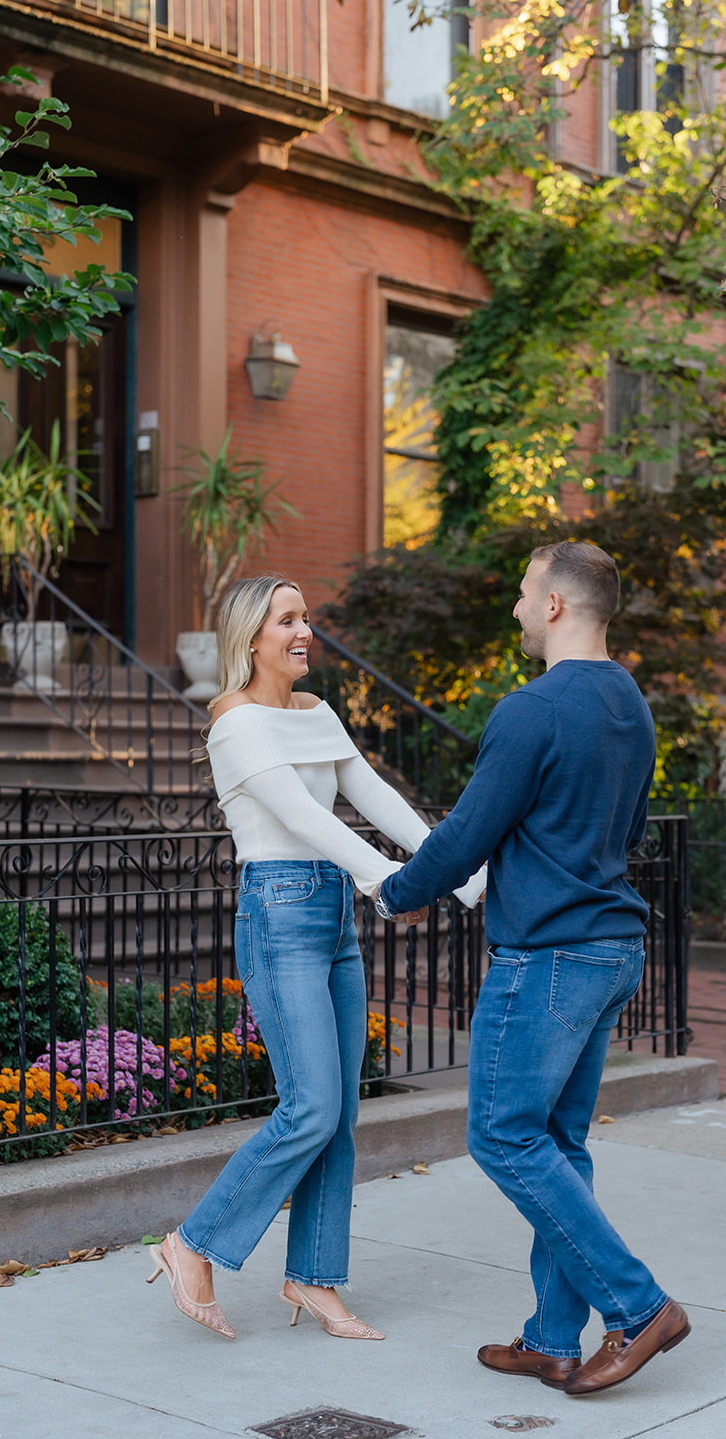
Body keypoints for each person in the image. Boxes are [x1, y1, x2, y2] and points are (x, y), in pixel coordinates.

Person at [375, 540, 689, 1395]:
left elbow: (468, 832)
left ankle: (638, 1305)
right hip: (611, 946)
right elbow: (622, 833)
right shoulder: (630, 702)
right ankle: (552, 1339)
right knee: (558, 1141)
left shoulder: (532, 709)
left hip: (548, 956)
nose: (516, 609)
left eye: (522, 594)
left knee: (502, 1135)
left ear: (554, 604)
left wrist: (396, 892)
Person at [147, 574, 484, 1342]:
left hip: (330, 915)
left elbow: (378, 800)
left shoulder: (317, 713)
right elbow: (300, 817)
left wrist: (467, 879)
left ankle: (314, 1281)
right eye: (288, 619)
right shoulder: (233, 722)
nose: (307, 631)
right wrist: (388, 883)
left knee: (341, 1115)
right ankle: (193, 1244)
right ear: (251, 637)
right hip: (280, 912)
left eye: (308, 618)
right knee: (310, 1107)